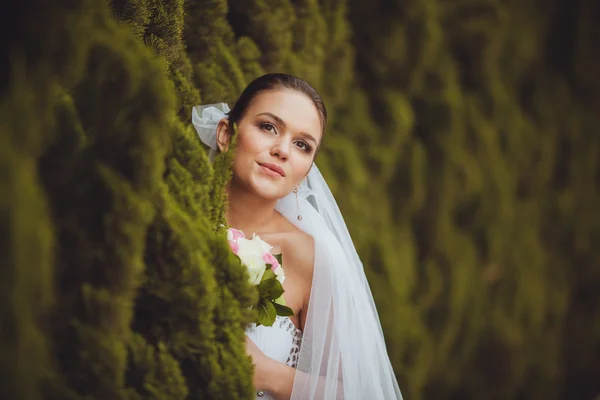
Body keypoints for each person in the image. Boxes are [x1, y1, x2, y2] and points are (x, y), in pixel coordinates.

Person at [192, 73, 402, 400]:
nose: (282, 150)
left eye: (302, 145)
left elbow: (356, 392)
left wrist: (268, 374)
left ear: (305, 173)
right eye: (268, 127)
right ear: (225, 134)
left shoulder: (311, 259)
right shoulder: (175, 212)